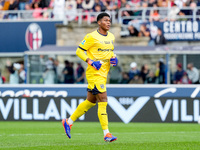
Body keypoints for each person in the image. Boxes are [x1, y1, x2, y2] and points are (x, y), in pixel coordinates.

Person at [62, 12, 118, 142]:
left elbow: (110, 52)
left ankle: (68, 121)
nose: (108, 22)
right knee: (103, 100)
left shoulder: (111, 36)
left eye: (109, 20)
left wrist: (114, 59)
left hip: (104, 73)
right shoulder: (91, 36)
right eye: (105, 20)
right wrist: (91, 61)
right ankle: (107, 133)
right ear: (99, 22)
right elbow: (79, 50)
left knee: (91, 101)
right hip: (94, 73)